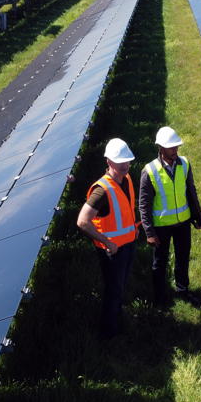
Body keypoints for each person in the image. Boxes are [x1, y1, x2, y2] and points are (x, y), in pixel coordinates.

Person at [77, 138, 139, 339]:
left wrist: (134, 229)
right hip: (113, 251)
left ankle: (116, 316)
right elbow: (82, 221)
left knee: (120, 286)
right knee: (113, 290)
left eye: (127, 161)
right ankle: (108, 333)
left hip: (128, 244)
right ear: (109, 162)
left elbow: (126, 210)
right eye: (120, 161)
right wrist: (107, 242)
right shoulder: (101, 190)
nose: (125, 165)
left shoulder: (127, 179)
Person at [139, 126, 201, 308]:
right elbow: (144, 204)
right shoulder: (149, 171)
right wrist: (149, 232)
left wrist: (198, 217)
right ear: (160, 148)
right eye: (171, 147)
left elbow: (191, 192)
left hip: (183, 223)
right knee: (160, 263)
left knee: (183, 258)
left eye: (176, 146)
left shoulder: (185, 164)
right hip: (161, 227)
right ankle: (159, 299)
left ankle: (183, 290)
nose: (175, 150)